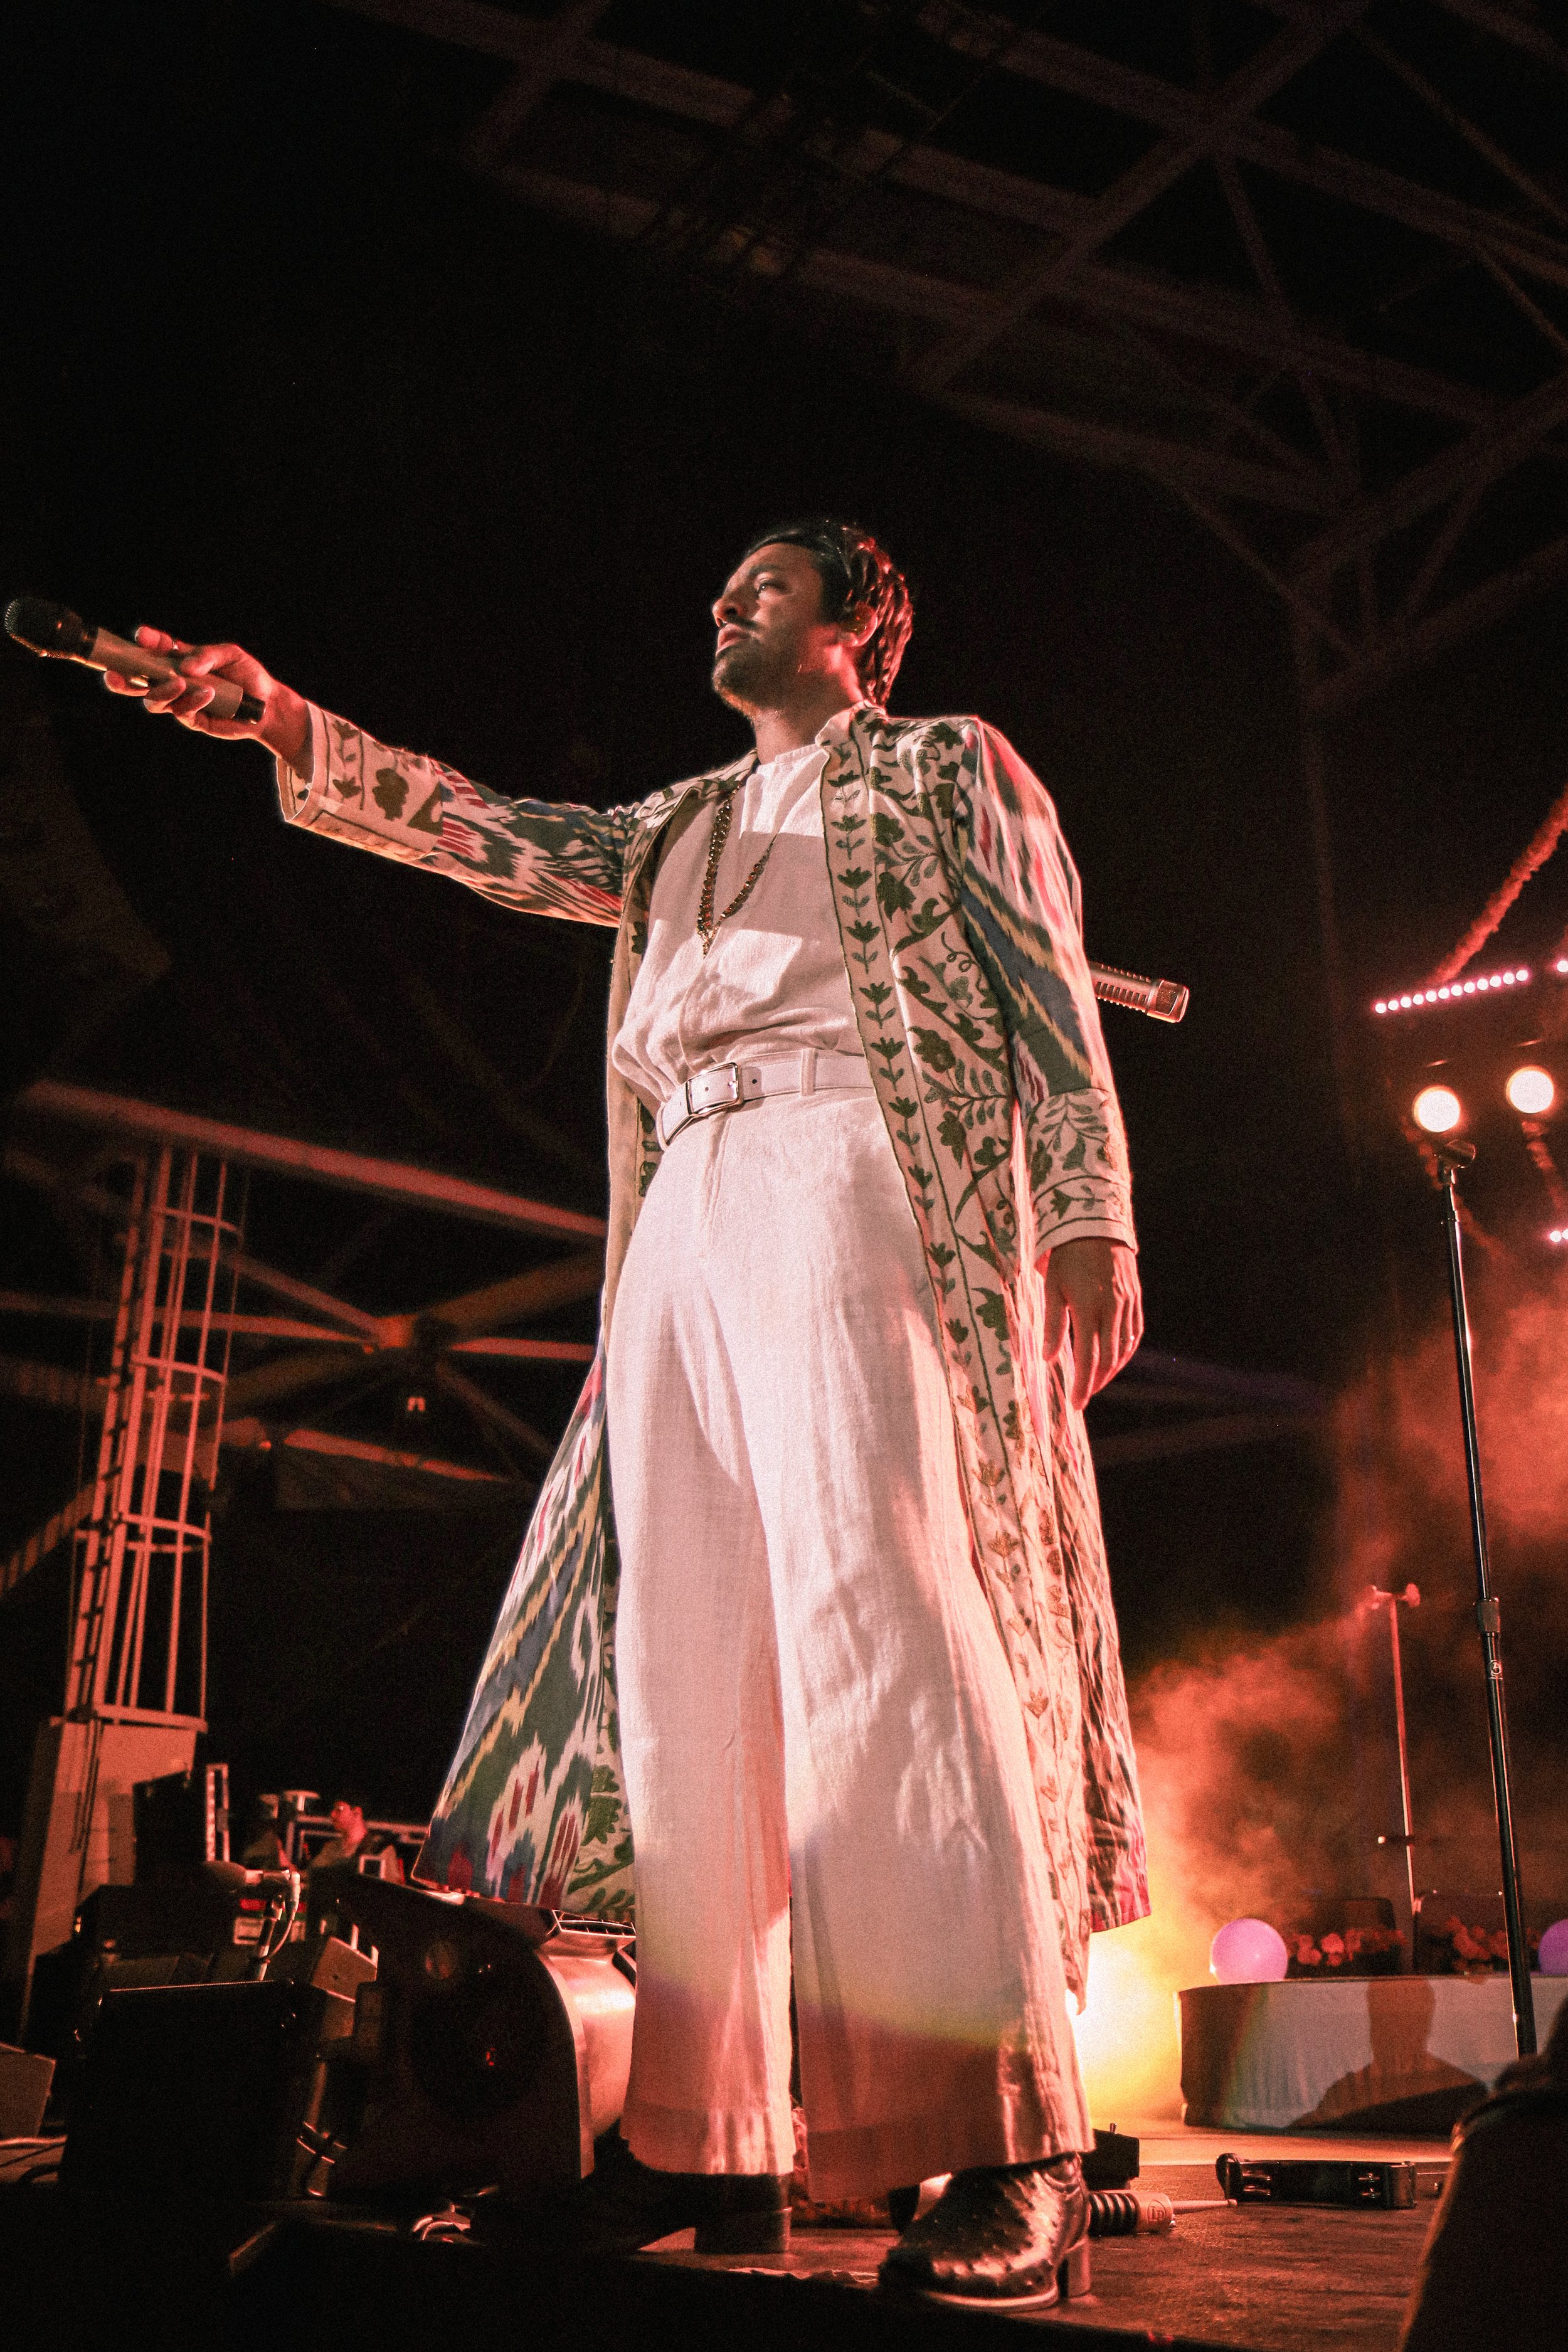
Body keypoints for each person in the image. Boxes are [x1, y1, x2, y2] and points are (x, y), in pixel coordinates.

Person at [111, 518, 1148, 2306]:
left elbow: (1045, 986)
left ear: (862, 625)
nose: (721, 602)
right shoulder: (669, 825)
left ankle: (1003, 2136)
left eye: (764, 584)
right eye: (721, 586)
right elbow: (490, 838)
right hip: (685, 1199)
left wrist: (1085, 1211)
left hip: (860, 1160)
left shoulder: (942, 763)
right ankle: (704, 2141)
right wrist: (281, 720)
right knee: (687, 1670)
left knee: (888, 1621)